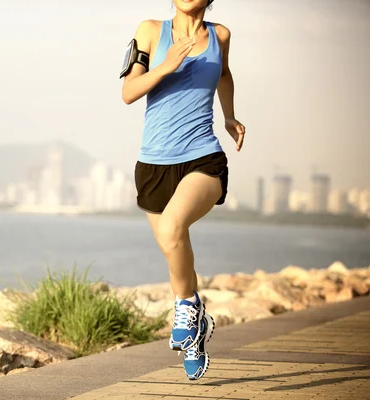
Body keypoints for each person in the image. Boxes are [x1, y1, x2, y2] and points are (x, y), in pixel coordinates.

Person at [119, 0, 246, 380]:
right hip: (153, 164)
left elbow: (224, 74)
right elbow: (128, 92)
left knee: (174, 229)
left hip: (202, 156)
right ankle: (195, 326)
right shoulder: (150, 31)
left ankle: (187, 309)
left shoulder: (219, 35)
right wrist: (166, 65)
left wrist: (230, 115)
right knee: (176, 250)